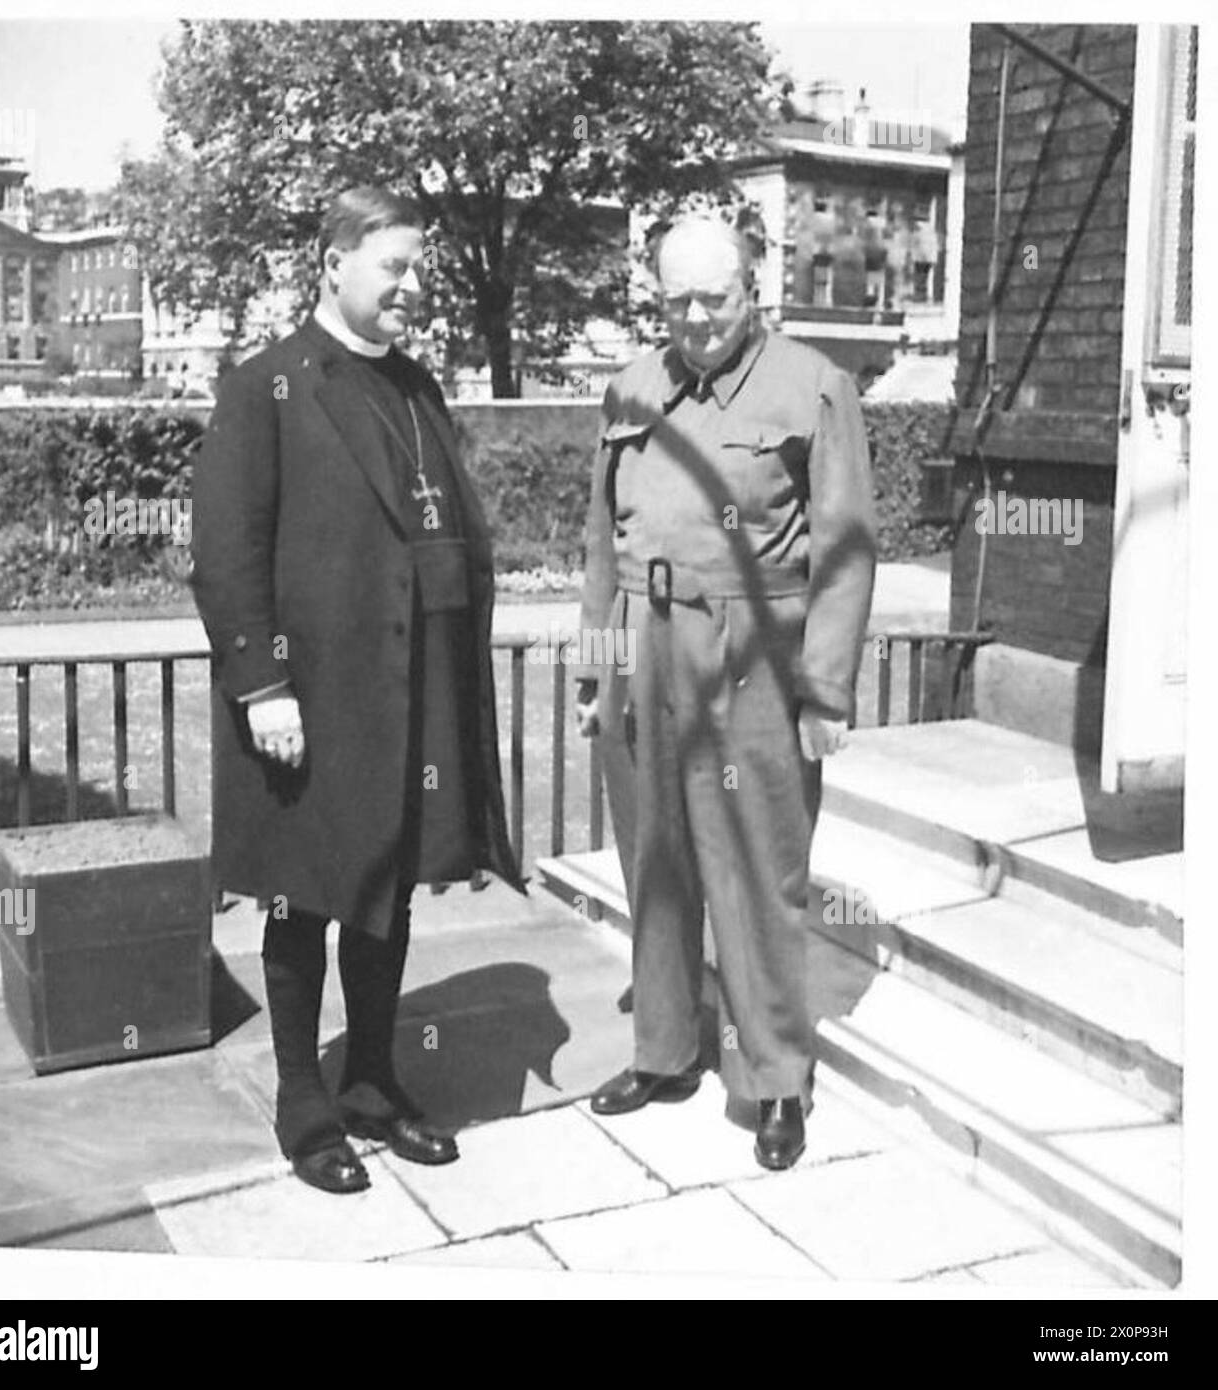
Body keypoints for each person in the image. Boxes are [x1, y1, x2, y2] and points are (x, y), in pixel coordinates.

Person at [191, 186, 521, 1195]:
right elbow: (225, 552)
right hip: (311, 696)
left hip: (411, 691)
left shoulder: (417, 388)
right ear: (332, 263)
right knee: (303, 897)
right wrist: (262, 686)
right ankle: (305, 1102)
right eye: (395, 267)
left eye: (418, 268)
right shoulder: (267, 386)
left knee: (389, 891)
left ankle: (373, 1082)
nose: (413, 287)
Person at [577, 213, 876, 1170]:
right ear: (655, 298)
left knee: (757, 869)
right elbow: (598, 544)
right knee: (654, 859)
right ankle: (664, 1050)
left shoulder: (813, 385)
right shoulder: (631, 387)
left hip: (753, 650)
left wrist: (823, 692)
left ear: (754, 287)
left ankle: (774, 1080)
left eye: (715, 296)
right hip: (644, 643)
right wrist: (597, 670)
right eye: (677, 300)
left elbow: (844, 550)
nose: (697, 317)